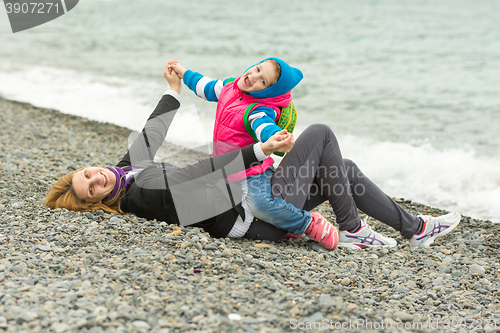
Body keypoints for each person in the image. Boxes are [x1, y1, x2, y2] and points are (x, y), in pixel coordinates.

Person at [45, 61, 462, 251]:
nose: (97, 177)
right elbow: (203, 173)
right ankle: (356, 228)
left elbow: (152, 134)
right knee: (320, 134)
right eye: (92, 188)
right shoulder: (142, 192)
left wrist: (174, 89)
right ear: (98, 201)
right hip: (253, 216)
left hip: (249, 203)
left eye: (88, 173)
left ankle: (416, 227)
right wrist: (260, 148)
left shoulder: (126, 173)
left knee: (344, 170)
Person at [169, 58, 341, 249]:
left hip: (253, 172)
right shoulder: (228, 87)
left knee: (260, 205)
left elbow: (264, 127)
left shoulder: (257, 110)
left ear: (267, 91)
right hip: (226, 168)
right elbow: (205, 86)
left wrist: (276, 137)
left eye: (263, 81)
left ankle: (308, 223)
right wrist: (183, 72)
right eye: (257, 69)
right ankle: (285, 220)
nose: (254, 76)